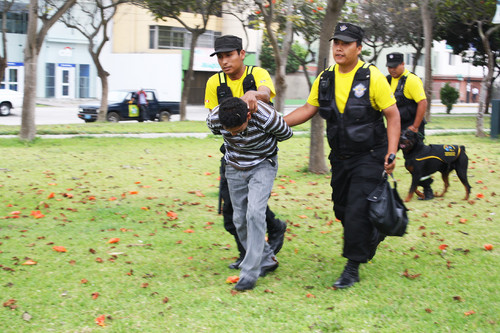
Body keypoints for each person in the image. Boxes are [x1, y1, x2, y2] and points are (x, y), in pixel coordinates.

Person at [284, 23, 400, 289]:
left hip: (370, 154)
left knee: (358, 209)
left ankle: (352, 267)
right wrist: (276, 123)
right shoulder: (325, 78)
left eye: (346, 43)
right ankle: (374, 230)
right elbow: (307, 108)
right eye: (336, 42)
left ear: (358, 48)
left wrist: (392, 152)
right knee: (342, 208)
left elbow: (392, 116)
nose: (339, 47)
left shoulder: (372, 77)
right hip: (341, 156)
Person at [205, 35, 288, 269]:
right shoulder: (215, 83)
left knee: (252, 209)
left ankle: (257, 257)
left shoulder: (256, 73)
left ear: (242, 54)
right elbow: (214, 117)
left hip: (261, 155)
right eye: (220, 57)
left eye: (229, 55)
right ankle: (256, 247)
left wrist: (254, 95)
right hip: (233, 155)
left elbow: (265, 92)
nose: (224, 61)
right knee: (232, 213)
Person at [207, 97, 293, 291]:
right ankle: (266, 259)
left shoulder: (267, 117)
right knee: (239, 219)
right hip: (234, 166)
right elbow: (215, 129)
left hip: (263, 164)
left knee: (255, 213)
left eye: (238, 130)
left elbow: (286, 134)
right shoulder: (215, 118)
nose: (234, 135)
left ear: (248, 115)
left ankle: (249, 274)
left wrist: (260, 143)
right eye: (230, 133)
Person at [386, 52, 433, 200]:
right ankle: (381, 188)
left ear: (402, 64)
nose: (392, 70)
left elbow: (422, 102)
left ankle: (427, 190)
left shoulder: (411, 80)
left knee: (417, 160)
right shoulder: (387, 81)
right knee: (386, 155)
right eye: (389, 67)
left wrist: (415, 126)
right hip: (396, 128)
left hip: (412, 129)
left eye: (394, 67)